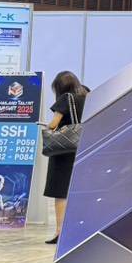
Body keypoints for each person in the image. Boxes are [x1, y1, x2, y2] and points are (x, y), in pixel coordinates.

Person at [42, 70, 89, 245]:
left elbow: (54, 124)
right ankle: (80, 228)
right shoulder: (87, 94)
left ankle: (60, 232)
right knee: (79, 190)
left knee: (60, 192)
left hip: (64, 153)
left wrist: (48, 127)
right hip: (83, 146)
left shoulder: (65, 98)